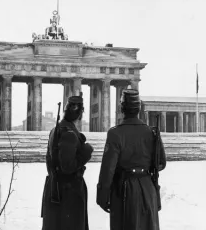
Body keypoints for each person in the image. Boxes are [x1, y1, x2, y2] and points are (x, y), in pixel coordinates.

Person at [97, 88, 166, 230]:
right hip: (147, 187)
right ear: (139, 108)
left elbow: (108, 170)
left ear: (122, 108)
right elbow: (161, 163)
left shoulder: (115, 133)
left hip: (124, 190)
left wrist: (103, 196)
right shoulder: (151, 132)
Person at [41, 95, 94, 230]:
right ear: (80, 113)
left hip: (56, 187)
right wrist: (85, 153)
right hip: (68, 192)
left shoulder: (56, 130)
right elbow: (67, 166)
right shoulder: (69, 133)